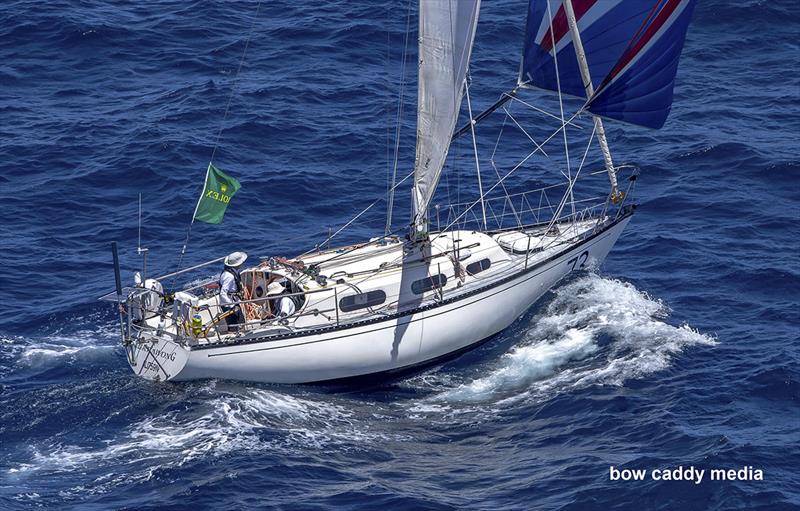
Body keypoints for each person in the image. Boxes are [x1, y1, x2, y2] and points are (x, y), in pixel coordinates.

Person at [219, 251, 247, 331]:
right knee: (237, 325)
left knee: (239, 323)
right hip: (229, 304)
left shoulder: (230, 272)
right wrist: (232, 307)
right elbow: (223, 293)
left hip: (232, 302)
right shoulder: (229, 277)